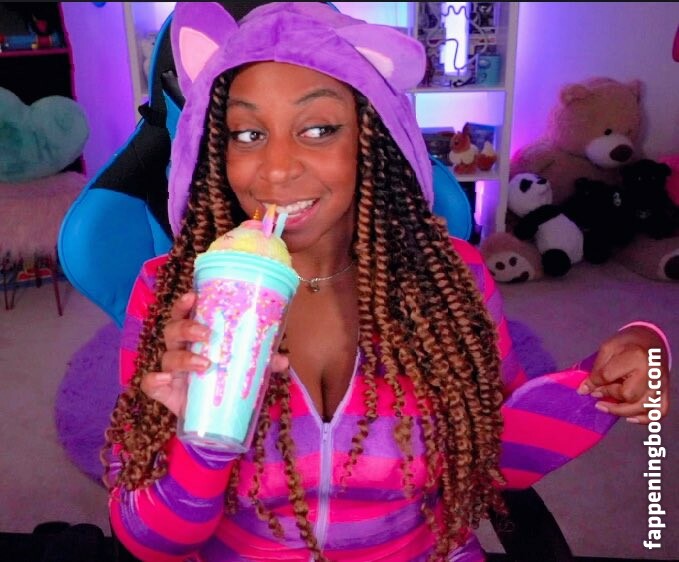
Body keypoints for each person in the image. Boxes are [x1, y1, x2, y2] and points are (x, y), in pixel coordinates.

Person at [102, 3, 671, 561]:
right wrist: (199, 445)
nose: (275, 168)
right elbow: (149, 542)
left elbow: (496, 455)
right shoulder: (171, 294)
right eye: (248, 134)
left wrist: (617, 375)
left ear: (372, 141)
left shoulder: (447, 280)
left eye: (318, 129)